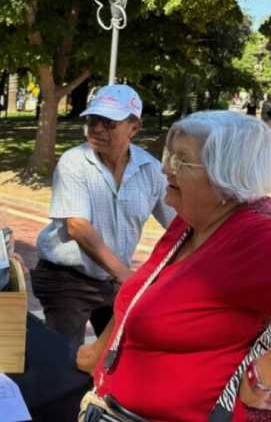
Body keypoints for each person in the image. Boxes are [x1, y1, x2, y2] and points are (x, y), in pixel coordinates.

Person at [76, 111, 271, 420]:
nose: (166, 169)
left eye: (182, 160)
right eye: (169, 155)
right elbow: (143, 291)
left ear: (227, 174)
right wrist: (98, 352)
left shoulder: (257, 237)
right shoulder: (192, 220)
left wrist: (262, 377)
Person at [32, 84, 174, 349]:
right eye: (92, 120)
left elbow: (179, 224)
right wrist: (124, 274)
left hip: (112, 280)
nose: (97, 129)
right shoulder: (74, 162)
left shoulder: (151, 170)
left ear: (134, 128)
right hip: (67, 278)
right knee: (65, 361)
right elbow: (77, 226)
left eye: (108, 122)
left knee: (125, 353)